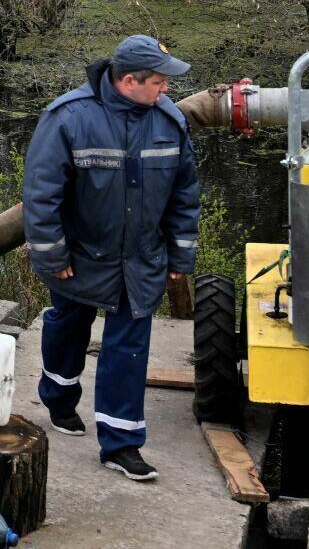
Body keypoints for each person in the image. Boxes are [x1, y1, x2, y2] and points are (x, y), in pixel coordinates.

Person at [21, 33, 201, 482]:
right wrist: (52, 256)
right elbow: (42, 195)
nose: (166, 89)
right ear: (128, 81)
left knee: (129, 348)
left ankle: (121, 445)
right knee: (69, 327)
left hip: (141, 260)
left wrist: (180, 256)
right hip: (80, 256)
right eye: (158, 81)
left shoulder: (169, 121)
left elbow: (185, 194)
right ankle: (59, 398)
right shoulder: (68, 118)